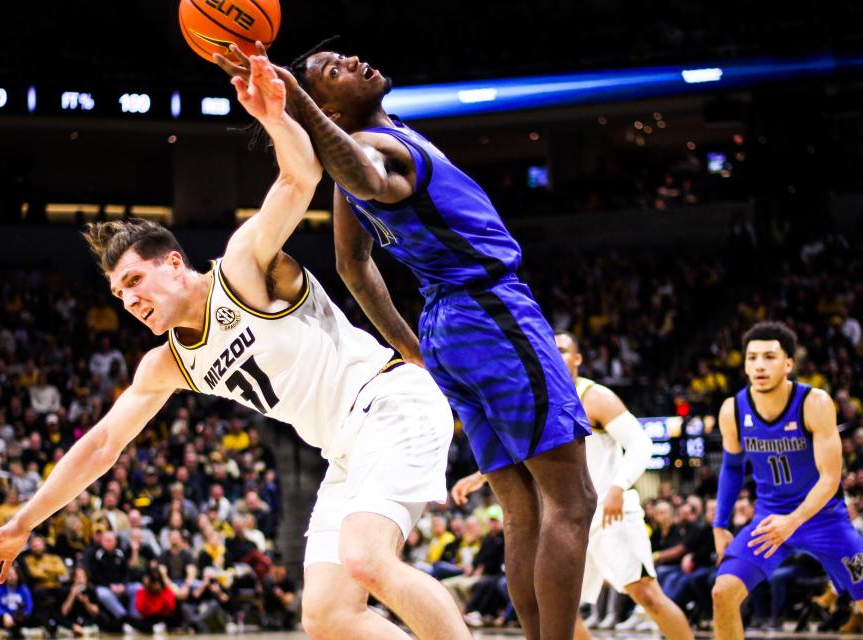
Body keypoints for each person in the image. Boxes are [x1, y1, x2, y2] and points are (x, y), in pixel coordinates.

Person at [0, 55, 469, 640]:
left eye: (134, 281)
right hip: (346, 448)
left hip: (389, 402)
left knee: (367, 560)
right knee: (330, 617)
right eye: (118, 293)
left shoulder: (241, 268)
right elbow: (103, 443)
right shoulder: (168, 363)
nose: (128, 301)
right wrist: (24, 523)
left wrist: (278, 119)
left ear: (175, 265)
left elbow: (298, 179)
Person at [216, 42, 595, 639]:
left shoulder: (368, 153)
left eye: (343, 57)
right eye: (334, 72)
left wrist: (410, 344)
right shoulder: (372, 147)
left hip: (448, 327)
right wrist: (298, 103)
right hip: (490, 310)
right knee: (570, 503)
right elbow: (366, 176)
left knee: (523, 509)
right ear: (331, 114)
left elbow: (351, 263)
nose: (353, 62)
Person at [453, 332, 693, 638]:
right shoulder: (535, 403)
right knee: (561, 610)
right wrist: (480, 476)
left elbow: (640, 443)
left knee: (647, 594)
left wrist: (619, 487)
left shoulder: (596, 397)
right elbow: (519, 453)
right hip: (565, 523)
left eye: (563, 350)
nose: (554, 355)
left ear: (577, 359)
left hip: (609, 513)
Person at [711, 321, 863, 638]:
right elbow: (732, 469)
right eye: (752, 358)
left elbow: (831, 478)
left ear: (789, 363)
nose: (759, 365)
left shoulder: (814, 403)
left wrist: (793, 520)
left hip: (826, 521)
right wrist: (720, 525)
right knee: (723, 593)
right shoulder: (732, 409)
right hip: (769, 522)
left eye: (769, 356)